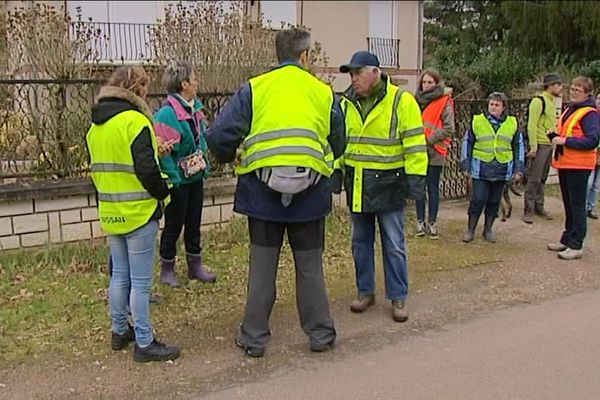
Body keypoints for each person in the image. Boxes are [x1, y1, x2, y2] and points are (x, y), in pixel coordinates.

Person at [206, 27, 345, 357]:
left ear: (277, 55)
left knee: (263, 269)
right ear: (305, 56)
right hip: (310, 197)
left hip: (262, 196)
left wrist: (231, 155)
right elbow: (339, 142)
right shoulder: (323, 92)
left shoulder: (256, 89)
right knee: (310, 268)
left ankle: (254, 338)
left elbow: (219, 136)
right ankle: (320, 334)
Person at [86, 66, 180, 362]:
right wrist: (163, 193)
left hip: (111, 210)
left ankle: (119, 331)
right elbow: (147, 170)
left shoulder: (95, 126)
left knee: (119, 277)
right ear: (137, 88)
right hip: (139, 212)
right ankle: (144, 341)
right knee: (140, 283)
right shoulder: (135, 122)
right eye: (145, 88)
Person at [337, 51, 427, 322]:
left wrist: (416, 180)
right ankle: (365, 292)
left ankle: (398, 296)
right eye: (350, 75)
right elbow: (339, 142)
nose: (353, 79)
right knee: (360, 243)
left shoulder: (401, 101)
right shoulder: (345, 104)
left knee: (394, 244)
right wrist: (335, 169)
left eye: (357, 73)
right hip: (357, 181)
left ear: (375, 72)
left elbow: (414, 143)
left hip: (389, 183)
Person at [154, 61, 217, 287]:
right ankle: (167, 267)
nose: (197, 83)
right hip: (178, 180)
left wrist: (204, 162)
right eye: (194, 79)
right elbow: (164, 153)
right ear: (184, 84)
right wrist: (174, 178)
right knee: (174, 224)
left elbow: (202, 140)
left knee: (194, 222)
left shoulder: (196, 110)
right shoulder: (167, 115)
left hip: (196, 176)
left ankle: (195, 265)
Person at [461, 92, 526, 243]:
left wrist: (519, 169)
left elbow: (519, 147)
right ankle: (470, 229)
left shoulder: (512, 123)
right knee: (478, 199)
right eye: (491, 104)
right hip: (480, 167)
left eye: (497, 105)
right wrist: (465, 164)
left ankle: (488, 229)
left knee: (494, 201)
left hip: (502, 168)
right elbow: (467, 143)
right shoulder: (477, 121)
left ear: (503, 107)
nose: (493, 107)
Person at [547, 76, 600, 260]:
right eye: (573, 88)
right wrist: (555, 136)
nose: (574, 91)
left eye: (579, 89)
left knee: (577, 206)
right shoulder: (571, 109)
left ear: (587, 93)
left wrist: (565, 141)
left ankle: (576, 244)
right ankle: (568, 238)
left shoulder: (590, 113)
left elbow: (593, 140)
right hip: (566, 163)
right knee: (569, 205)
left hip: (579, 165)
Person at [414, 68, 455, 239]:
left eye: (430, 82)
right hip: (418, 149)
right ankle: (420, 221)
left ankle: (432, 222)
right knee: (419, 187)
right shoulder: (416, 100)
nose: (427, 85)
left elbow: (449, 127)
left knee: (432, 187)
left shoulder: (444, 101)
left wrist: (430, 139)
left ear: (436, 83)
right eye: (424, 82)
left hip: (435, 149)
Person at [522, 73, 563, 224]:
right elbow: (531, 125)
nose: (560, 88)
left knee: (543, 177)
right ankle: (529, 209)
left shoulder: (551, 102)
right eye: (558, 85)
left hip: (548, 144)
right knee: (534, 178)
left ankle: (539, 206)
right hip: (539, 144)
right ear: (551, 85)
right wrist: (533, 147)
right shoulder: (538, 101)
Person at [585, 92, 600, 219]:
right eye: (599, 99)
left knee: (597, 184)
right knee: (588, 182)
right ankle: (583, 207)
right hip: (591, 153)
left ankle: (591, 207)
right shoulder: (591, 116)